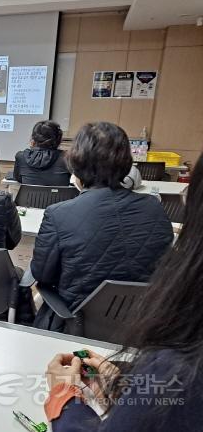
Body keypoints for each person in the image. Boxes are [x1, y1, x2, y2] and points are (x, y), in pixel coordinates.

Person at [44, 152, 203, 431]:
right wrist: (126, 385)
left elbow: (43, 274)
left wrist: (62, 398)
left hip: (77, 318)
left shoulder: (180, 367)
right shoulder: (155, 209)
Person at [31, 122, 173, 331]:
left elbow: (42, 274)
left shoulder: (58, 214)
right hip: (141, 326)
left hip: (77, 323)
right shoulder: (154, 207)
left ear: (76, 161)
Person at [12, 120, 71, 186]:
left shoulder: (21, 156)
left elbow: (19, 179)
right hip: (61, 196)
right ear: (59, 139)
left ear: (33, 138)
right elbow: (73, 181)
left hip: (30, 196)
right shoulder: (67, 158)